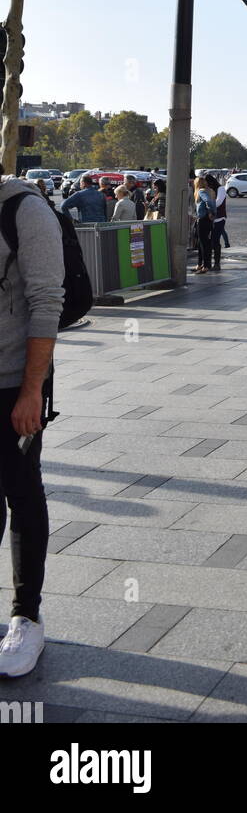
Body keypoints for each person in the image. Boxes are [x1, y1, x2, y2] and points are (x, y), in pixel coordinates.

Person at [0, 165, 65, 677]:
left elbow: (47, 303)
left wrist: (31, 391)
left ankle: (27, 617)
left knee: (21, 493)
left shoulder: (25, 209)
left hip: (12, 383)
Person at [205, 174, 228, 271]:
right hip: (210, 219)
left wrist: (207, 204)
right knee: (209, 242)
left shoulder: (221, 189)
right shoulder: (209, 190)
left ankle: (217, 264)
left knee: (215, 241)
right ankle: (208, 264)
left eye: (208, 184)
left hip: (219, 218)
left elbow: (218, 202)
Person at [192, 176, 215, 273]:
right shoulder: (209, 191)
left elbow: (208, 201)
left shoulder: (201, 191)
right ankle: (201, 264)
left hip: (203, 219)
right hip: (206, 220)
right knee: (203, 243)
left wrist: (210, 211)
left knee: (203, 243)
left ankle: (205, 265)